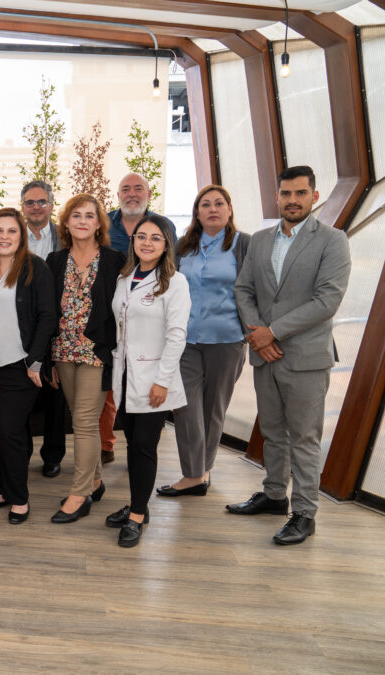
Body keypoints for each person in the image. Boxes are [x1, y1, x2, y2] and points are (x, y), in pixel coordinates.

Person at [227, 166, 351, 545]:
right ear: (277, 197)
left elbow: (327, 300)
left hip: (306, 358)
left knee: (304, 438)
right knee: (272, 431)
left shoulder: (333, 240)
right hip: (266, 355)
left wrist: (271, 332)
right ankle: (274, 495)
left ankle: (304, 513)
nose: (292, 200)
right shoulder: (261, 240)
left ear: (315, 196)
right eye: (285, 193)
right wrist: (258, 335)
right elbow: (243, 290)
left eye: (300, 193)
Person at [159, 186, 250, 498]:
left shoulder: (244, 244)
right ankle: (193, 473)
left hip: (227, 340)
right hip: (186, 342)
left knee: (214, 409)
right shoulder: (183, 247)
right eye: (205, 204)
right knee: (185, 406)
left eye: (219, 203)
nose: (213, 209)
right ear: (197, 212)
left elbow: (255, 290)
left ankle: (202, 472)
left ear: (229, 208)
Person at [106, 215, 190, 547]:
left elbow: (177, 335)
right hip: (125, 375)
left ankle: (138, 515)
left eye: (156, 238)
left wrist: (162, 381)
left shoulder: (174, 281)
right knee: (132, 443)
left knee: (144, 446)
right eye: (141, 237)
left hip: (155, 379)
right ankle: (137, 503)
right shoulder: (124, 277)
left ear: (167, 243)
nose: (147, 243)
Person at [0, 207, 55, 525]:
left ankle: (19, 498)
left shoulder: (35, 269)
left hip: (17, 365)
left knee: (10, 432)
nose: (4, 237)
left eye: (11, 231)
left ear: (21, 236)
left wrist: (35, 360)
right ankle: (4, 488)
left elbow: (48, 317)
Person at [45, 194, 125, 525]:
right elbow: (48, 311)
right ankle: (94, 480)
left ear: (98, 223)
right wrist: (47, 356)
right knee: (82, 419)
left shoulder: (114, 260)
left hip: (95, 351)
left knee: (84, 421)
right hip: (63, 351)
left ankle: (80, 494)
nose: (82, 220)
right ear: (66, 222)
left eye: (89, 216)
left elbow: (120, 311)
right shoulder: (54, 260)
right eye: (75, 215)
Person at [103, 173, 178, 465]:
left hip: (149, 322)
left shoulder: (163, 225)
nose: (132, 194)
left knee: (146, 394)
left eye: (138, 188)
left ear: (148, 192)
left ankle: (141, 452)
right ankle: (108, 444)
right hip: (112, 318)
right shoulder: (105, 224)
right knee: (112, 389)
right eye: (126, 189)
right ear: (118, 193)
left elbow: (172, 272)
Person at [20, 180, 68, 479]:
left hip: (59, 327)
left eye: (41, 202)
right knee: (21, 396)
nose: (36, 207)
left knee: (56, 397)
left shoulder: (65, 237)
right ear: (22, 207)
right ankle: (20, 452)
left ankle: (52, 455)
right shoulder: (11, 236)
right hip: (22, 329)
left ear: (51, 205)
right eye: (30, 202)